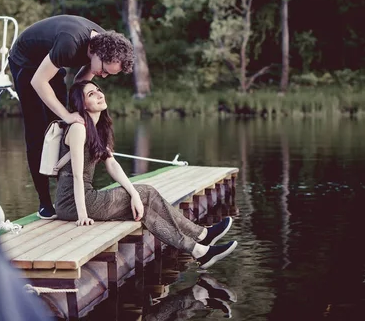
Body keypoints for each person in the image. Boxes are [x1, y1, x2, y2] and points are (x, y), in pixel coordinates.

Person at [54, 80, 238, 269]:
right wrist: (82, 215)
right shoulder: (78, 128)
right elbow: (76, 176)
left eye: (98, 90)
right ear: (82, 103)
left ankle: (200, 250)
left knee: (144, 211)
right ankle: (201, 235)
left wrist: (133, 193)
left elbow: (112, 165)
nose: (100, 94)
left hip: (86, 197)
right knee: (147, 192)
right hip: (74, 203)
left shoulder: (97, 128)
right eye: (91, 94)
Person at [8, 15, 134, 220]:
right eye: (103, 70)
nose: (102, 76)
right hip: (26, 63)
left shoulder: (105, 43)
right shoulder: (70, 43)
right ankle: (45, 202)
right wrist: (67, 114)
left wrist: (82, 122)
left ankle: (66, 195)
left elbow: (79, 84)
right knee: (38, 131)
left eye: (108, 74)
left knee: (63, 128)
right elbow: (38, 81)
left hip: (52, 62)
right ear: (96, 53)